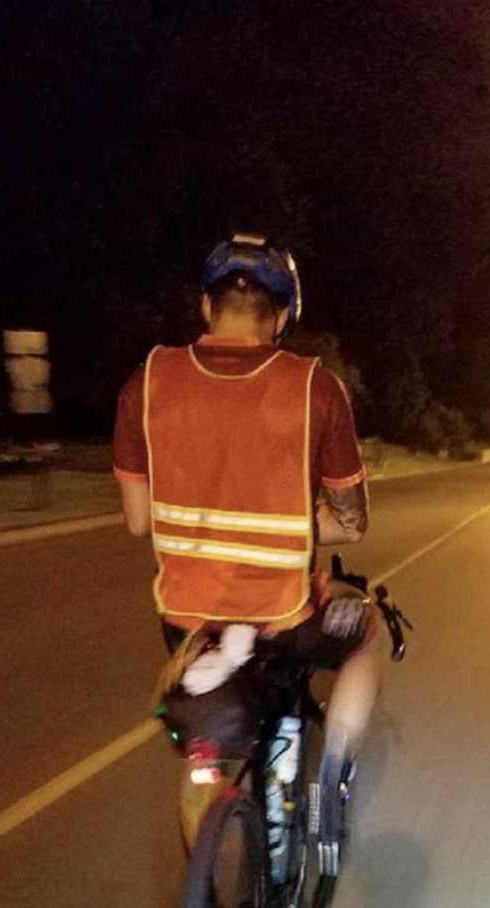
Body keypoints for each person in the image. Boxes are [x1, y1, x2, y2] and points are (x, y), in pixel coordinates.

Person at [112, 232, 381, 849]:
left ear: (207, 307)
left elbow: (137, 520)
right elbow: (352, 523)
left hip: (186, 622)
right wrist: (286, 510)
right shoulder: (316, 388)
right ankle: (334, 778)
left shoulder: (146, 382)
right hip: (281, 618)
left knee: (202, 756)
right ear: (283, 317)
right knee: (366, 633)